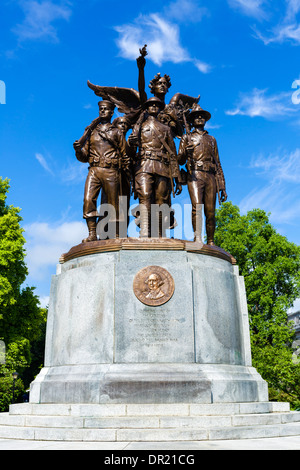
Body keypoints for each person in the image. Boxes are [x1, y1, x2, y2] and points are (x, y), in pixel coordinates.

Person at [73, 100, 128, 242]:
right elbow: (84, 157)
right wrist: (78, 149)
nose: (102, 111)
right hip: (94, 170)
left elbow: (124, 154)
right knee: (88, 199)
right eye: (101, 109)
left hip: (111, 170)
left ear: (111, 112)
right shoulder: (91, 132)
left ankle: (116, 233)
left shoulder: (116, 132)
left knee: (113, 203)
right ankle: (92, 234)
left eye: (106, 109)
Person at [128, 97, 182, 237]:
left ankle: (159, 232)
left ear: (159, 108)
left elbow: (172, 153)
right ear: (146, 108)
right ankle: (145, 230)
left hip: (162, 166)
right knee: (144, 194)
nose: (153, 107)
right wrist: (131, 143)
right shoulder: (139, 126)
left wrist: (177, 177)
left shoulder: (166, 129)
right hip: (144, 165)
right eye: (151, 105)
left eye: (156, 105)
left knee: (161, 199)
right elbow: (130, 151)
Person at [178, 104, 227, 245]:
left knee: (210, 211)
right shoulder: (186, 138)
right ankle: (197, 238)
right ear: (192, 120)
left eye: (202, 116)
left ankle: (211, 241)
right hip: (194, 175)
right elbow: (179, 160)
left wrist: (222, 185)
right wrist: (185, 152)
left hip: (210, 176)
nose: (199, 118)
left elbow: (218, 163)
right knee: (197, 207)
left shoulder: (212, 139)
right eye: (196, 116)